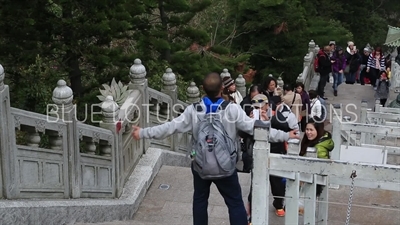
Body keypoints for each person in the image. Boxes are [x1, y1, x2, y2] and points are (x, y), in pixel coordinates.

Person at [132, 72, 299, 225]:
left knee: (200, 200)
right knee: (234, 203)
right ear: (222, 88)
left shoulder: (193, 110)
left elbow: (169, 128)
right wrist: (286, 135)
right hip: (226, 167)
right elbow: (257, 128)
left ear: (203, 89)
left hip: (201, 166)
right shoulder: (232, 109)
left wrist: (143, 132)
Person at [298, 116, 334, 214]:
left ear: (318, 130)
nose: (308, 132)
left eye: (311, 130)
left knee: (306, 208)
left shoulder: (319, 147)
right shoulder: (318, 140)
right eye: (307, 129)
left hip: (312, 180)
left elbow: (320, 167)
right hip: (308, 178)